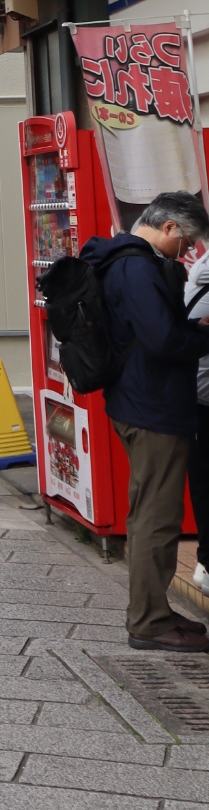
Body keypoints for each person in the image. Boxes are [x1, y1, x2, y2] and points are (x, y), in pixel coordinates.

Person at [83, 190, 209, 651]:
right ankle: (149, 621)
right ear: (170, 227)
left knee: (149, 513)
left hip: (135, 401)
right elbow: (163, 342)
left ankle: (154, 610)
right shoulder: (137, 267)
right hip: (153, 406)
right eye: (188, 240)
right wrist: (202, 340)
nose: (189, 250)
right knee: (157, 517)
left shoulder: (122, 258)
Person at [185, 245, 209, 595]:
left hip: (194, 395)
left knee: (203, 475)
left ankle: (205, 562)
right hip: (204, 395)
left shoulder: (200, 268)